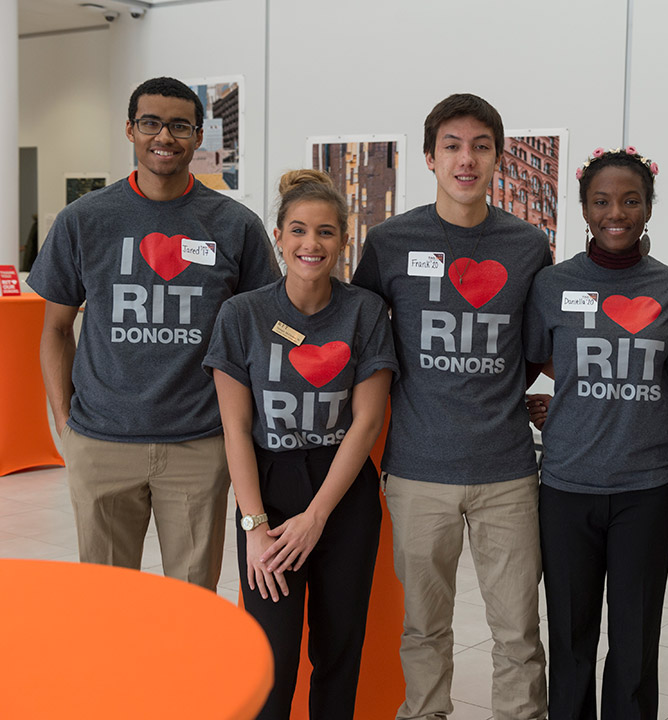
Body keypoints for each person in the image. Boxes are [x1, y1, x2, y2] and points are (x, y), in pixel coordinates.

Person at [29, 76, 279, 589]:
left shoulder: (235, 225)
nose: (165, 136)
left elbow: (265, 328)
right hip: (100, 439)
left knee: (192, 599)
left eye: (180, 125)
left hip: (198, 442)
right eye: (151, 123)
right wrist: (65, 425)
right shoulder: (85, 220)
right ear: (130, 130)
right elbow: (55, 329)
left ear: (198, 136)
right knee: (106, 598)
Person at [351, 93, 550, 720]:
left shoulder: (528, 246)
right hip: (416, 470)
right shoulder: (389, 241)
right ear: (430, 158)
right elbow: (356, 334)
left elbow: (535, 342)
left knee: (517, 632)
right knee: (423, 629)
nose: (467, 159)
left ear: (497, 158)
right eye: (453, 147)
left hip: (508, 472)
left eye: (481, 147)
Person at [203, 169, 396, 719]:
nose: (312, 244)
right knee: (272, 652)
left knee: (338, 648)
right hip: (268, 489)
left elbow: (366, 421)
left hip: (342, 492)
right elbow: (236, 428)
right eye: (299, 230)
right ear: (279, 238)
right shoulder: (243, 314)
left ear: (343, 239)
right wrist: (255, 526)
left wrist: (317, 516)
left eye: (327, 232)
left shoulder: (363, 312)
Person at [524, 147, 668, 719]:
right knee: (569, 638)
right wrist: (557, 398)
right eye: (601, 201)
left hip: (648, 488)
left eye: (629, 200)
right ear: (584, 208)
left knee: (635, 640)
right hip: (567, 486)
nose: (615, 212)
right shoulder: (553, 284)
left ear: (647, 208)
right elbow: (537, 360)